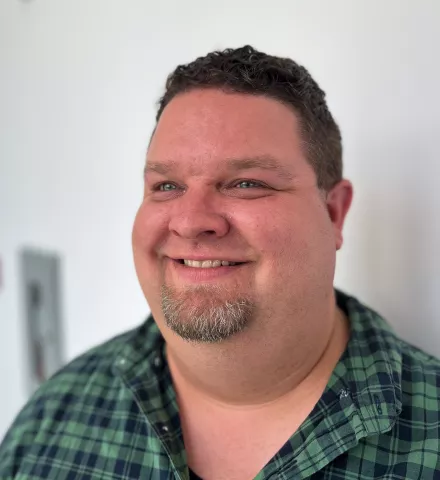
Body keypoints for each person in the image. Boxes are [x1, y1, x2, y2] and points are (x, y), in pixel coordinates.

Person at [1, 45, 439, 480]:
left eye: (247, 183)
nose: (191, 222)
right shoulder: (49, 424)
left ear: (334, 212)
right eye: (167, 185)